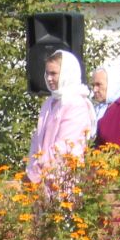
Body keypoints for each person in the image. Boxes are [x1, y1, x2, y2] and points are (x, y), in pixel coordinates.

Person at [26, 49, 94, 183]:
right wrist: (33, 171)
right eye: (47, 73)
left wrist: (43, 170)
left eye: (54, 73)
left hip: (64, 178)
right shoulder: (49, 102)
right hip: (41, 178)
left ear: (66, 74)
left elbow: (65, 145)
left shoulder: (76, 103)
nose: (49, 78)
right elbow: (37, 141)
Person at [95, 61, 120, 146]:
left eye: (99, 84)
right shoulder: (99, 110)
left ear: (112, 84)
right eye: (93, 85)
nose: (95, 89)